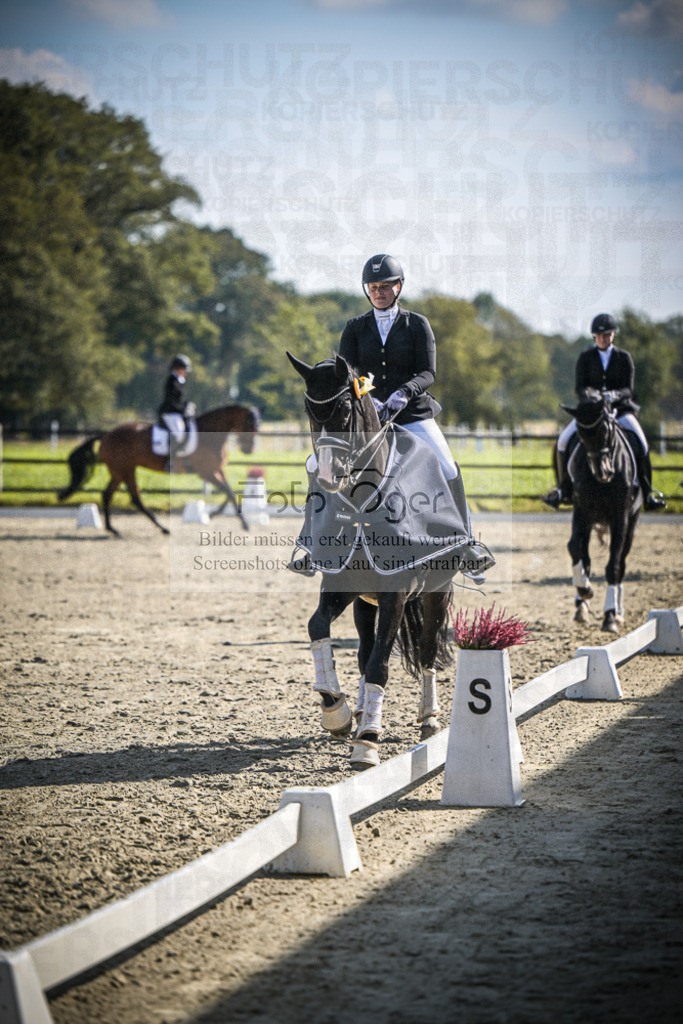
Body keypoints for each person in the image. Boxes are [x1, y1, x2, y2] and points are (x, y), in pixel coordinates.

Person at [288, 253, 493, 580]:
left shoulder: (417, 324)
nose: (379, 292)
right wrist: (370, 397)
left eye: (385, 286)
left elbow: (428, 372)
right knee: (316, 464)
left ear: (398, 287)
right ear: (366, 290)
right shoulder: (355, 327)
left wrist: (404, 392)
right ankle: (312, 546)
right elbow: (349, 375)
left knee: (446, 465)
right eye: (373, 287)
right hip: (370, 419)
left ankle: (467, 545)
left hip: (413, 413)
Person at [543, 313, 666, 511]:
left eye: (607, 335)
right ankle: (561, 489)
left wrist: (614, 395)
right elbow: (580, 387)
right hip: (592, 412)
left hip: (620, 411)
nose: (603, 338)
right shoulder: (586, 358)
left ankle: (648, 492)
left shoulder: (623, 358)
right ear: (594, 336)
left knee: (642, 443)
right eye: (599, 335)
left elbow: (628, 390)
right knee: (563, 441)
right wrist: (591, 394)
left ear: (613, 335)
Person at [158, 354, 193, 470]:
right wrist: (182, 410)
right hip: (169, 412)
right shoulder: (171, 381)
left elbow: (181, 399)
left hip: (177, 412)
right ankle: (169, 462)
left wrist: (188, 405)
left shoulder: (181, 380)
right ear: (177, 368)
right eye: (183, 369)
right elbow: (171, 400)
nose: (185, 372)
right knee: (178, 433)